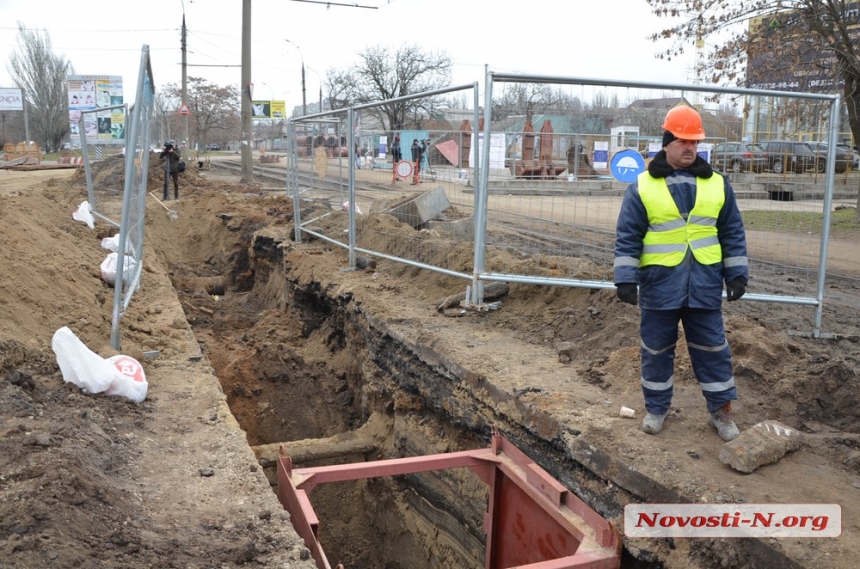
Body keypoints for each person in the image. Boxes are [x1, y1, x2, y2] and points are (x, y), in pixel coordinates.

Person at [613, 105, 749, 442]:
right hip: (661, 284)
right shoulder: (643, 186)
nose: (690, 148)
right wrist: (625, 278)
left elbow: (732, 231)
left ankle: (721, 413)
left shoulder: (718, 184)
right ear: (667, 142)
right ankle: (656, 409)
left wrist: (736, 274)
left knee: (714, 350)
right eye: (683, 141)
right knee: (656, 350)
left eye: (695, 142)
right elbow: (628, 234)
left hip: (703, 283)